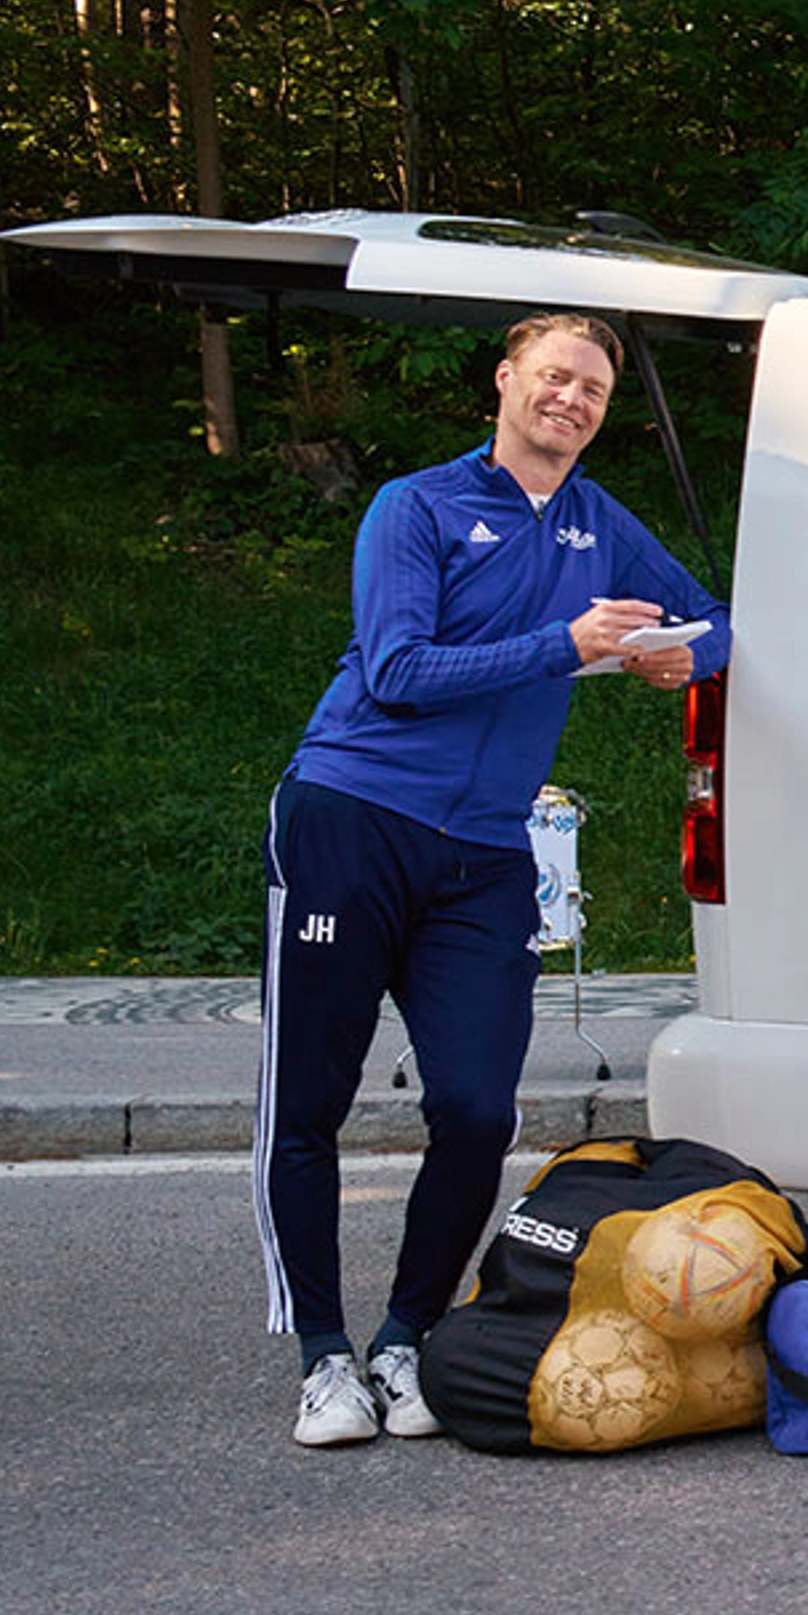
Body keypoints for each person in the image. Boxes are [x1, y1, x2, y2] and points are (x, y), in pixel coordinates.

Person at [260, 313, 725, 1448]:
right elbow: (398, 669)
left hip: (484, 852)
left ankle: (404, 1337)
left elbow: (720, 620)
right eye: (554, 377)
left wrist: (685, 653)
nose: (572, 399)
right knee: (309, 1102)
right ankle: (323, 1356)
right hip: (352, 815)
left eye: (593, 389)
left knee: (476, 1109)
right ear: (507, 381)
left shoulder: (595, 522)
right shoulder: (417, 506)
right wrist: (569, 646)